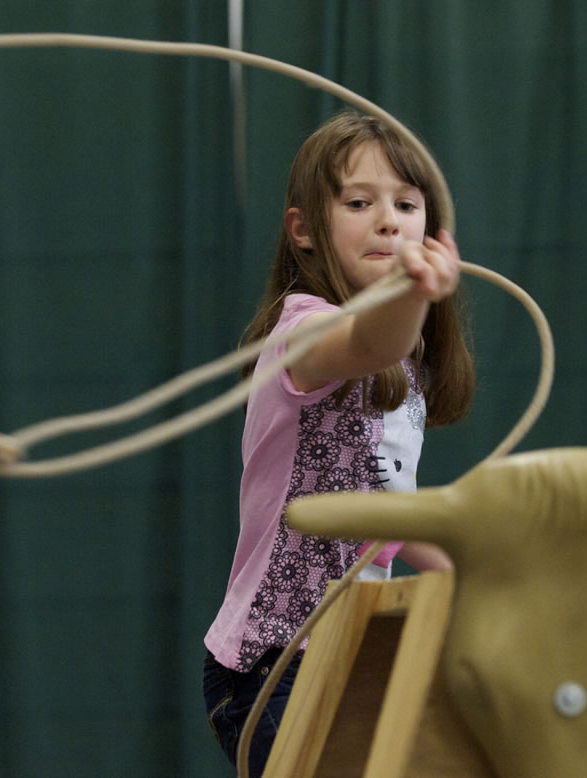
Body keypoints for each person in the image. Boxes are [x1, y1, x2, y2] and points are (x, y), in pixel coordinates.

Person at [202, 111, 475, 776]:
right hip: (273, 663)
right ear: (303, 230)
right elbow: (369, 342)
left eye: (406, 205)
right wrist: (410, 295)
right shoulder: (305, 332)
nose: (388, 220)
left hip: (344, 651)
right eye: (360, 202)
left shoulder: (402, 372)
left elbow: (379, 503)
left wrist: (459, 573)